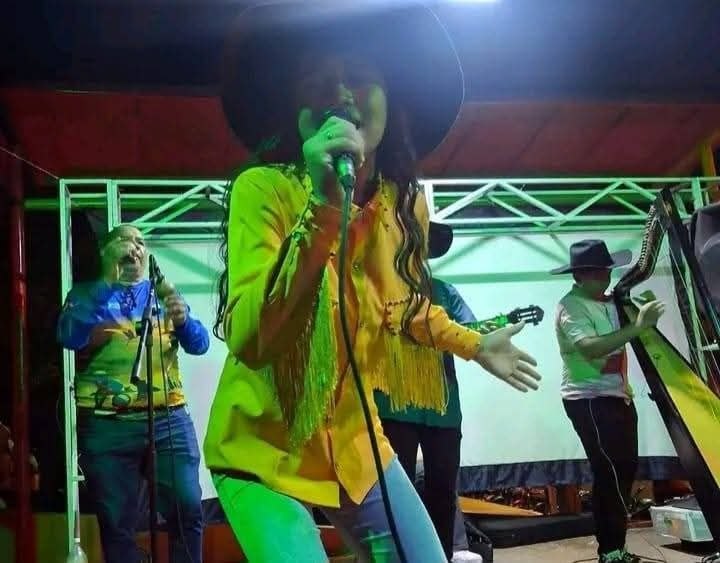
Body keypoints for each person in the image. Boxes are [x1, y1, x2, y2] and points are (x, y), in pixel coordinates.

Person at [204, 2, 541, 562]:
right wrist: (322, 208)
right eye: (317, 81)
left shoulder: (404, 203)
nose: (340, 93)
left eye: (359, 77)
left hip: (356, 441)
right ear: (296, 109)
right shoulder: (262, 189)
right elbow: (250, 338)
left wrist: (474, 343)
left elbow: (402, 306)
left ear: (391, 99)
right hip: (261, 447)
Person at [57, 224, 209, 563]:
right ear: (106, 250)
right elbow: (70, 337)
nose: (135, 246)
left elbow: (200, 344)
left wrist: (185, 321)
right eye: (125, 240)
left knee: (187, 508)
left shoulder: (162, 293)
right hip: (107, 425)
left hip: (168, 421)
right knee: (117, 523)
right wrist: (107, 283)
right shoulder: (85, 294)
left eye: (141, 241)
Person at [374, 221, 483, 563]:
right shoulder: (378, 291)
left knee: (442, 493)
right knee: (398, 494)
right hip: (393, 406)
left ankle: (440, 556)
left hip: (443, 410)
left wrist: (488, 334)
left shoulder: (444, 292)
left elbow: (473, 332)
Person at [551, 239, 665, 563]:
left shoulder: (611, 302)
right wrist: (637, 326)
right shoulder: (571, 307)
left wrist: (643, 318)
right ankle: (611, 551)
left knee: (624, 471)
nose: (607, 276)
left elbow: (633, 334)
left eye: (608, 271)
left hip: (618, 397)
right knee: (611, 473)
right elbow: (590, 348)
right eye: (601, 272)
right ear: (581, 275)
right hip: (588, 400)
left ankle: (616, 547)